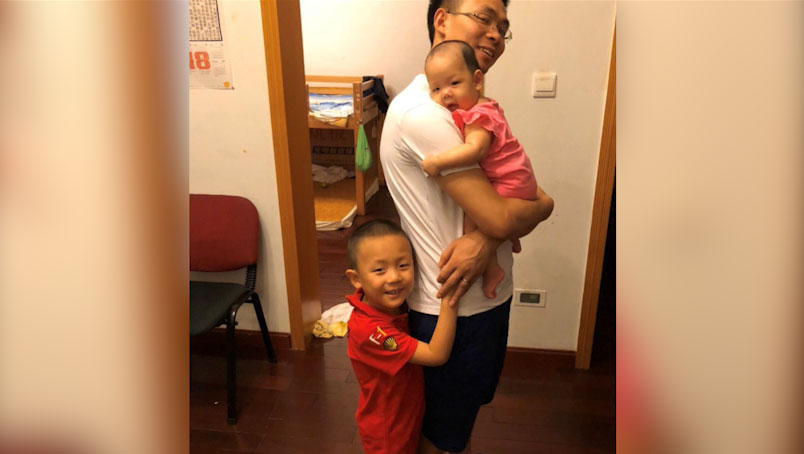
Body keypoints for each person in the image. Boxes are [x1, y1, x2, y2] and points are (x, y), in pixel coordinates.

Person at [379, 1, 555, 453]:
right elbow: (506, 213)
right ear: (441, 20)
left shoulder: (468, 108)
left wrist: (488, 236)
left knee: (458, 425)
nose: (495, 33)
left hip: (479, 299)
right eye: (483, 17)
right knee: (441, 435)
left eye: (502, 26)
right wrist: (542, 206)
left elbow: (511, 189)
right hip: (452, 307)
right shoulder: (426, 114)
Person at [421, 39, 539, 299]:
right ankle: (506, 242)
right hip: (519, 177)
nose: (445, 94)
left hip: (511, 181)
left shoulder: (477, 115)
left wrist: (438, 163)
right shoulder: (484, 105)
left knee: (473, 218)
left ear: (476, 81)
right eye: (436, 88)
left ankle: (492, 268)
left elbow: (476, 150)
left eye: (454, 83)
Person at [345, 219, 460, 454]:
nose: (394, 277)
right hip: (389, 429)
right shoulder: (371, 331)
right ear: (356, 279)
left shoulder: (391, 305)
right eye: (379, 270)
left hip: (409, 413)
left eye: (403, 265)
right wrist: (451, 296)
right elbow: (436, 355)